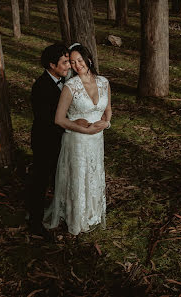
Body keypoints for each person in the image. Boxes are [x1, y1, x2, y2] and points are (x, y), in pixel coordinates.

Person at [43, 43, 112, 235]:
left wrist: (106, 124)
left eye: (79, 60)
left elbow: (108, 110)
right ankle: (77, 217)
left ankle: (93, 213)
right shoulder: (70, 86)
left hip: (97, 140)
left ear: (88, 59)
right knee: (79, 177)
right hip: (77, 141)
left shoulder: (104, 82)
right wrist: (84, 129)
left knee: (93, 174)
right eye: (72, 62)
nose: (76, 65)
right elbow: (59, 119)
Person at [27, 44, 88, 237]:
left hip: (66, 140)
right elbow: (46, 120)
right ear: (52, 65)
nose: (68, 66)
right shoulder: (41, 87)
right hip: (46, 141)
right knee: (41, 180)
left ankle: (62, 212)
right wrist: (71, 123)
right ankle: (35, 221)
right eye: (64, 63)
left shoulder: (66, 80)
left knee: (61, 178)